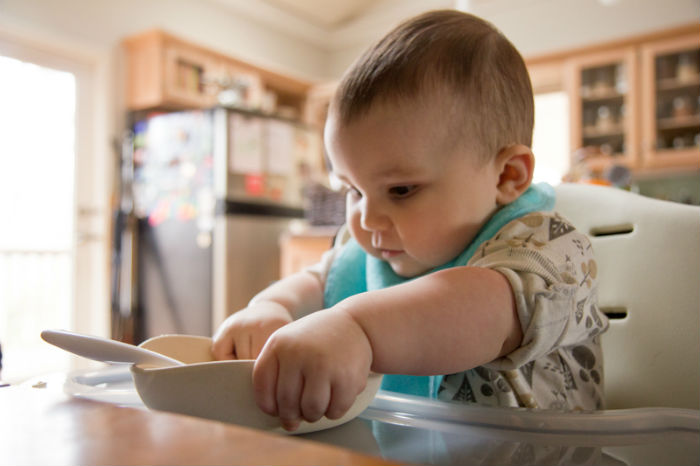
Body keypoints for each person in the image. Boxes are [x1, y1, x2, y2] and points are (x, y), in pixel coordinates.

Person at [212, 9, 608, 431]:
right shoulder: (373, 247)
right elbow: (318, 281)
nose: (366, 217)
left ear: (507, 175)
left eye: (401, 190)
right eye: (353, 189)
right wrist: (272, 307)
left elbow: (478, 310)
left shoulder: (546, 251)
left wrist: (357, 327)